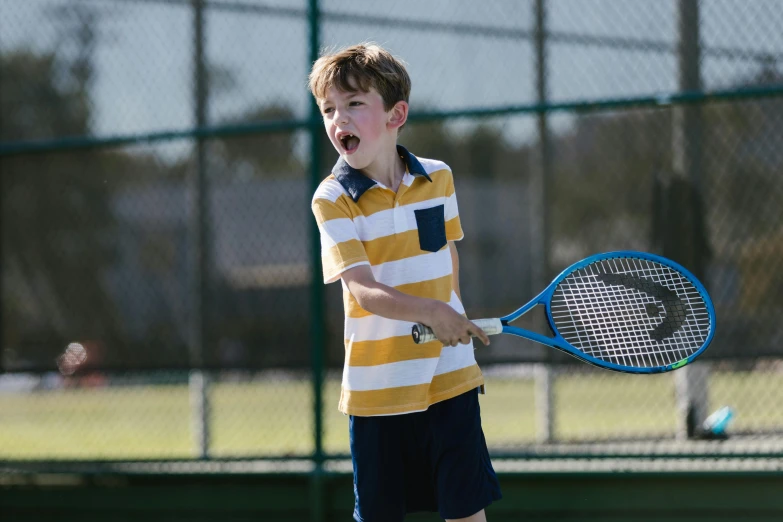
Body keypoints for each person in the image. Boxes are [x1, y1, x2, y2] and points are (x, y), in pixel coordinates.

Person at [309, 43, 502, 522]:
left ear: (397, 114)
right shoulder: (331, 200)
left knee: (466, 511)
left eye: (355, 104)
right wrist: (432, 313)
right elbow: (361, 290)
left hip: (451, 379)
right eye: (329, 109)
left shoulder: (438, 178)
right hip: (380, 392)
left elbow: (446, 256)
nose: (340, 119)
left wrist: (450, 313)